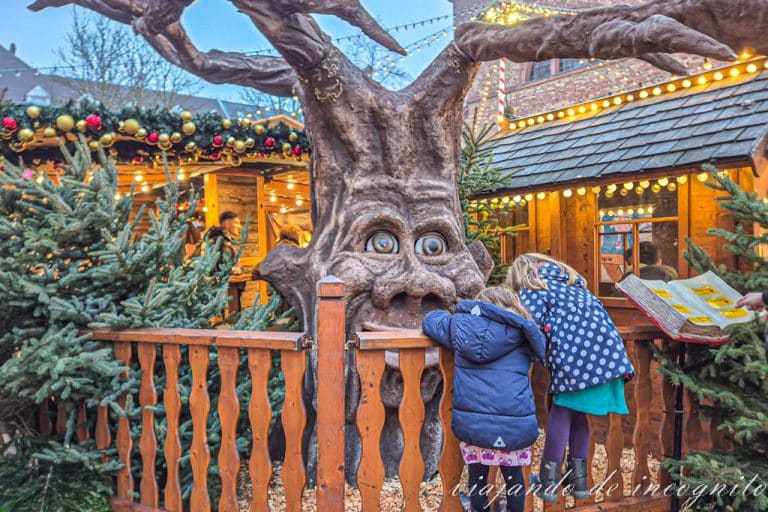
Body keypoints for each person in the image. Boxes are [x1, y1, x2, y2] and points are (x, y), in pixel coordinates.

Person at [506, 253, 635, 502]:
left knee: (560, 412)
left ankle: (548, 482)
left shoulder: (535, 287)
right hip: (608, 356)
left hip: (577, 360)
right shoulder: (574, 286)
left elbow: (527, 322)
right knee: (577, 414)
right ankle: (579, 483)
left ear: (523, 274)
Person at [422, 286, 546, 512]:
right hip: (514, 422)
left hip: (474, 422)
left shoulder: (461, 327)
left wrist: (462, 313)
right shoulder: (523, 330)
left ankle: (479, 509)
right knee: (514, 477)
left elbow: (431, 319)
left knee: (477, 474)